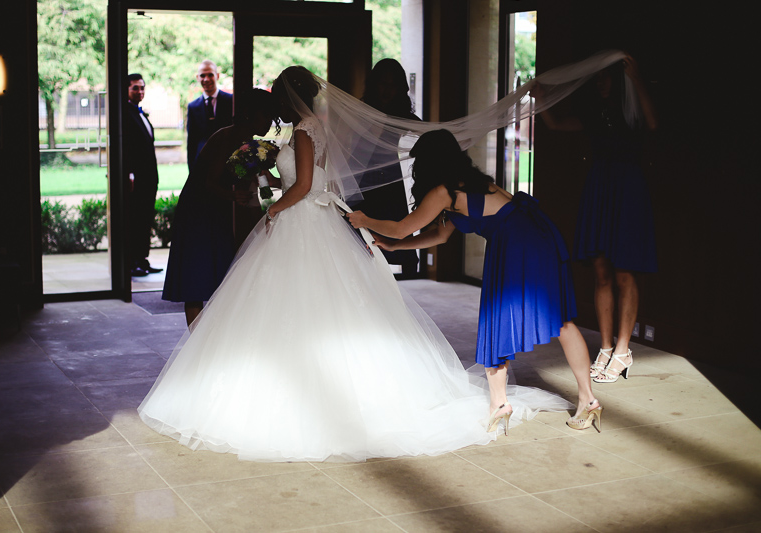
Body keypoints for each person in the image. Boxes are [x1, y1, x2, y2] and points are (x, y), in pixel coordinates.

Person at [138, 67, 571, 462]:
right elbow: (304, 179)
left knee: (290, 303)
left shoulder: (304, 132)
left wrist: (272, 211)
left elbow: (304, 186)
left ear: (291, 96)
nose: (275, 99)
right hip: (312, 218)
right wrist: (266, 174)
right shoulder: (306, 132)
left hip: (301, 220)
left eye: (279, 93)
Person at [348, 129, 602, 433]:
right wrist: (393, 246)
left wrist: (364, 221)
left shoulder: (444, 191)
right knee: (561, 321)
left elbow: (403, 228)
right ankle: (587, 400)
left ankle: (499, 405)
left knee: (498, 318)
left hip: (516, 243)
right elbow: (439, 235)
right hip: (535, 236)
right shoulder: (468, 184)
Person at [534, 54, 658, 384]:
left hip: (628, 191)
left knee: (624, 273)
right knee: (601, 271)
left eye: (606, 78)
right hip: (600, 190)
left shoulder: (631, 113)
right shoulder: (594, 113)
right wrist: (541, 100)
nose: (601, 83)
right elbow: (555, 124)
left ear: (620, 81)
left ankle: (622, 349)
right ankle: (604, 347)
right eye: (598, 79)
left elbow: (654, 123)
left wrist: (637, 80)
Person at [162, 89, 279, 327]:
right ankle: (196, 342)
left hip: (217, 209)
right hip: (198, 211)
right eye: (265, 115)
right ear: (249, 114)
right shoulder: (229, 136)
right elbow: (209, 181)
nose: (270, 121)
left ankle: (212, 337)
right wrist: (233, 195)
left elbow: (259, 180)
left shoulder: (251, 145)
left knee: (219, 274)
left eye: (272, 115)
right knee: (195, 279)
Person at [353, 59, 420, 277]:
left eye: (393, 85)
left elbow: (429, 134)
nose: (387, 90)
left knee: (396, 239)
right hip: (361, 182)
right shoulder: (359, 113)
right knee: (358, 245)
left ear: (401, 88)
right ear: (374, 85)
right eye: (383, 83)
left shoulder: (402, 116)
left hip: (390, 182)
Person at [123, 73, 163, 277]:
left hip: (149, 177)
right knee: (135, 219)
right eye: (135, 88)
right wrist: (128, 172)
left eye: (142, 88)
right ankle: (133, 261)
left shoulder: (141, 113)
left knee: (146, 218)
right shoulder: (124, 114)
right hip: (136, 178)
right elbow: (126, 147)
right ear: (127, 90)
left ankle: (143, 259)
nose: (140, 92)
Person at [187, 60, 234, 172]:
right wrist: (192, 170)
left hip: (227, 164)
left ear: (217, 76)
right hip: (203, 166)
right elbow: (192, 142)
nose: (206, 79)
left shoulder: (231, 101)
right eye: (202, 76)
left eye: (210, 75)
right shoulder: (193, 107)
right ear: (197, 77)